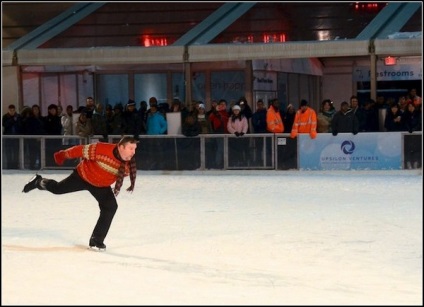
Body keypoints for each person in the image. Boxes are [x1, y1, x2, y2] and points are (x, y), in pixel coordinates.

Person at [21, 136, 139, 250]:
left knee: (110, 207)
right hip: (82, 176)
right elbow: (79, 150)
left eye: (134, 149)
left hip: (100, 185)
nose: (133, 152)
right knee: (57, 189)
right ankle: (39, 182)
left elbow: (119, 175)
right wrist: (63, 155)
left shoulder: (129, 164)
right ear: (121, 147)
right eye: (131, 148)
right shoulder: (101, 149)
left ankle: (96, 240)